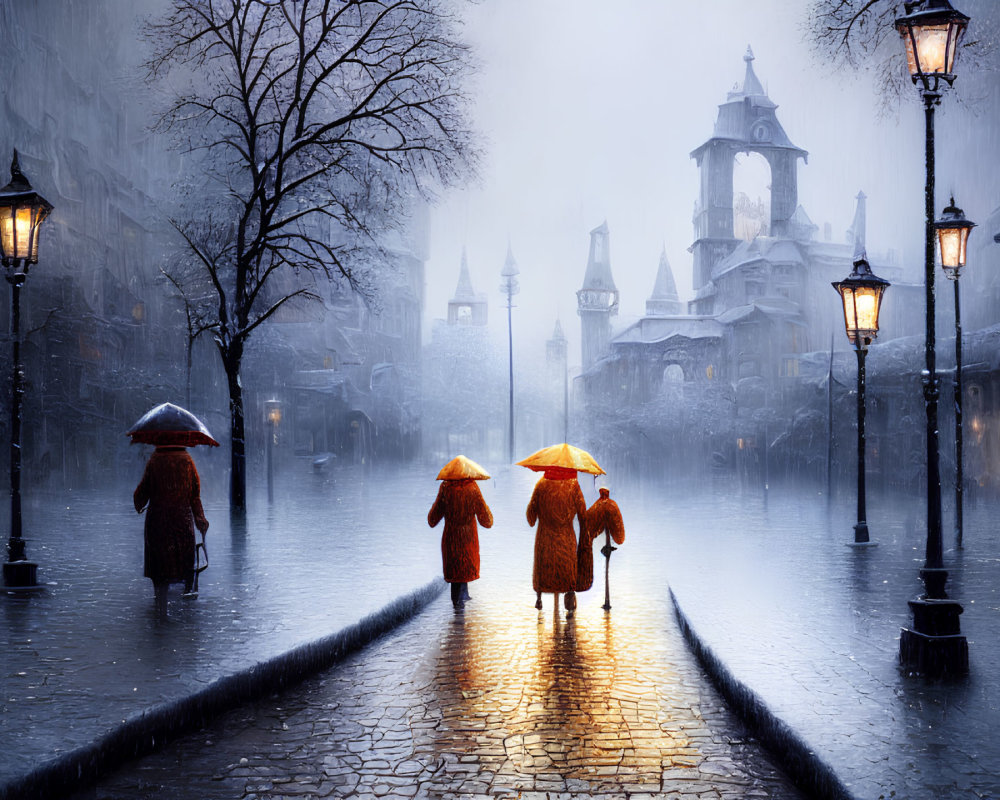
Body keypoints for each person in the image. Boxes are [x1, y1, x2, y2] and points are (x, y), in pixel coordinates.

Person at [134, 445, 210, 613]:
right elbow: (194, 496)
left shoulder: (154, 461)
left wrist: (139, 504)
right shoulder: (187, 461)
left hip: (158, 523)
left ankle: (161, 611)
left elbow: (141, 493)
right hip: (181, 522)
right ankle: (184, 616)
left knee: (160, 569)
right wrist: (200, 519)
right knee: (182, 563)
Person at [427, 464, 494, 609]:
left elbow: (432, 520)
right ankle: (461, 608)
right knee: (464, 571)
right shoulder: (473, 488)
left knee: (455, 575)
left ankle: (457, 609)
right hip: (468, 539)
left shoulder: (445, 488)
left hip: (451, 540)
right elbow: (487, 521)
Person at [526, 466, 587, 614]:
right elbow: (582, 514)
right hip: (566, 540)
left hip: (545, 540)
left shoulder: (541, 485)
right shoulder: (573, 485)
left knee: (545, 571)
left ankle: (540, 598)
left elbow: (531, 518)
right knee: (567, 573)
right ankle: (569, 602)